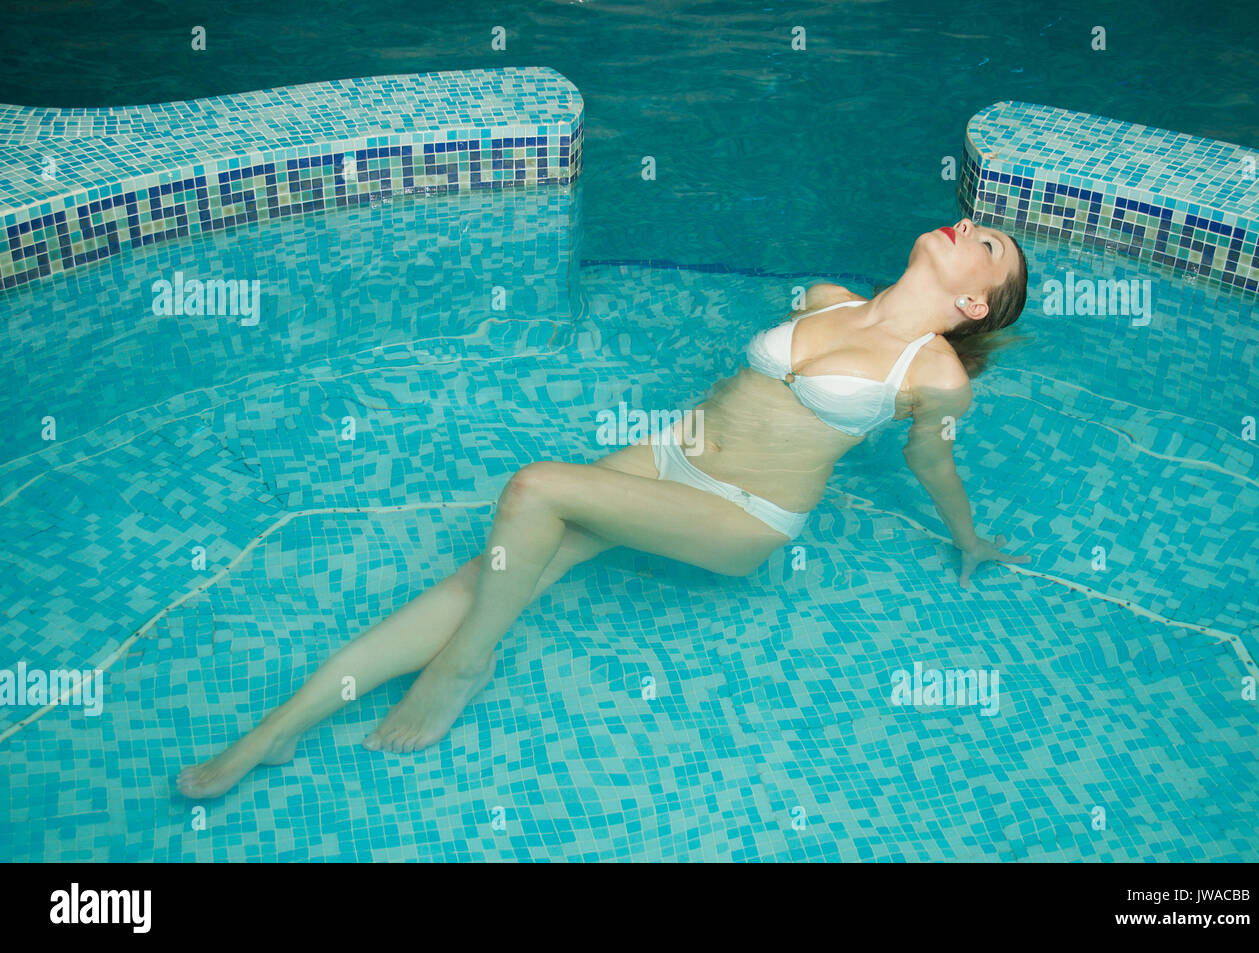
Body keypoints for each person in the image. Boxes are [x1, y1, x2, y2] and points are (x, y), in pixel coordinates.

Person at [177, 217, 1030, 798]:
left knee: (535, 488)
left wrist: (969, 538)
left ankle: (466, 664)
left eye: (989, 246)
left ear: (973, 305)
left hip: (741, 514)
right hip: (665, 452)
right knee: (494, 570)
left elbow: (931, 467)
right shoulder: (822, 297)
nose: (970, 228)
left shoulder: (935, 377)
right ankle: (279, 727)